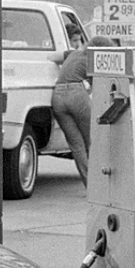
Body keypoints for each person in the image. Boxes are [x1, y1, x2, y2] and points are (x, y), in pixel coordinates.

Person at [49, 28, 116, 186]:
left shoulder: (72, 54)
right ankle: (99, 185)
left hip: (57, 95)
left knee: (76, 145)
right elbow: (100, 88)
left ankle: (89, 183)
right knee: (91, 140)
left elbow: (52, 57)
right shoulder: (93, 60)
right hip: (76, 94)